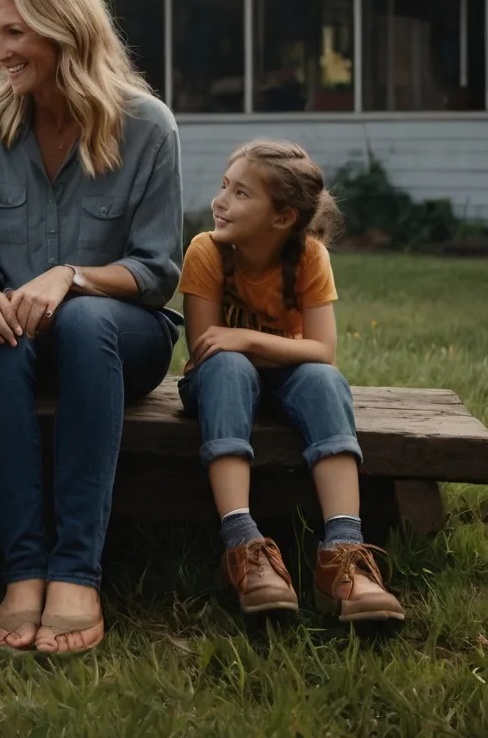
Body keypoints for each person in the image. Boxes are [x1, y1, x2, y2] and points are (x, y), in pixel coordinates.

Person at [0, 0, 183, 654]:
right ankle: (23, 572)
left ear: (63, 26)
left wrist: (71, 276)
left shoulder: (147, 125)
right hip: (9, 339)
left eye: (14, 32)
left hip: (117, 336)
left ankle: (77, 571)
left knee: (80, 321)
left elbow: (156, 270)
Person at [177, 139, 405, 621]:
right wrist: (240, 346)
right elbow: (206, 348)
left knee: (324, 380)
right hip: (216, 384)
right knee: (229, 365)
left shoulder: (308, 256)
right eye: (224, 186)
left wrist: (248, 338)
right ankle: (244, 545)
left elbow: (322, 351)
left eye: (241, 193)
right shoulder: (208, 251)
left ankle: (343, 553)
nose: (220, 200)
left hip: (286, 378)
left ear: (282, 217)